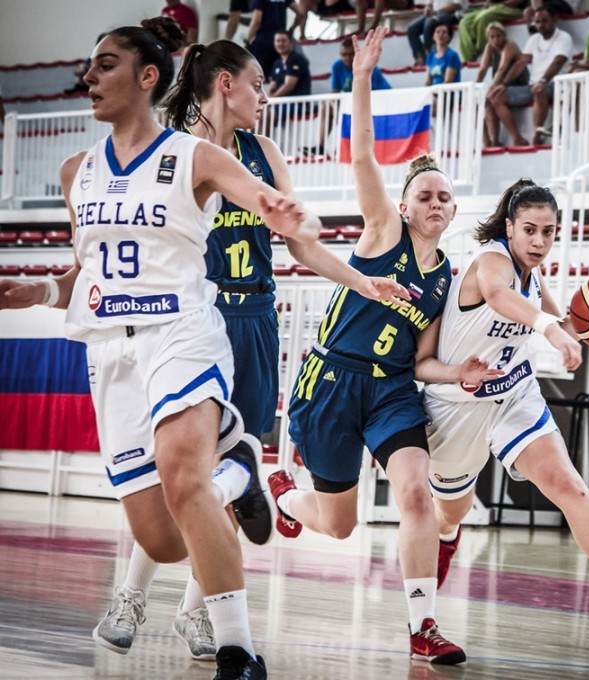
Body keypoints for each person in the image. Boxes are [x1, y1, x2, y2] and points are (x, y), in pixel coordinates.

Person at [0, 16, 329, 678]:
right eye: (90, 65)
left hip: (193, 328)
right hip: (114, 348)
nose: (88, 77)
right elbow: (87, 274)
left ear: (148, 76)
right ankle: (236, 473)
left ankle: (232, 646)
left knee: (185, 479)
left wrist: (296, 218)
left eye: (105, 64)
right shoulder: (81, 171)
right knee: (166, 531)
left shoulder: (208, 155)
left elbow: (277, 211)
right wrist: (37, 291)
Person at [86, 38, 409, 662]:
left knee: (230, 476)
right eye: (258, 83)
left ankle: (197, 611)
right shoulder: (175, 151)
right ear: (226, 83)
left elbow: (301, 244)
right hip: (190, 320)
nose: (265, 95)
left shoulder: (264, 153)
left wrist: (363, 281)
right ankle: (130, 596)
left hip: (256, 318)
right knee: (177, 473)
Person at [266, 27, 499, 666]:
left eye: (445, 196)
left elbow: (422, 360)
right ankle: (284, 494)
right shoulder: (383, 230)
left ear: (453, 211)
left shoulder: (447, 276)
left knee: (416, 494)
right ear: (405, 204)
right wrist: (364, 76)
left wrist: (459, 373)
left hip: (393, 390)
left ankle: (423, 626)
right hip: (333, 381)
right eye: (425, 194)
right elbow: (364, 155)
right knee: (339, 524)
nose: (436, 201)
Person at [420, 178, 589, 636]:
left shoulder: (532, 277)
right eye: (530, 230)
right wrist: (550, 330)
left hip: (513, 396)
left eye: (549, 232)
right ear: (510, 228)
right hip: (457, 405)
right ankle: (446, 537)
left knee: (567, 484)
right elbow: (500, 297)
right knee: (449, 512)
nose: (539, 241)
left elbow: (567, 324)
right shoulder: (491, 261)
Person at [484, 6, 573, 146]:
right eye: (537, 22)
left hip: (555, 84)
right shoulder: (534, 39)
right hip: (532, 85)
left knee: (539, 90)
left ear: (554, 19)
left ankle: (537, 136)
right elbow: (521, 63)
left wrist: (543, 81)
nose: (540, 25)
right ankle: (517, 138)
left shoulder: (564, 37)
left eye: (544, 21)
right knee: (495, 96)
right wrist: (504, 84)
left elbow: (558, 62)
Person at [311, 37, 392, 155]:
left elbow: (369, 93)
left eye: (350, 54)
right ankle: (321, 147)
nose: (347, 58)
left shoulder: (367, 66)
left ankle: (349, 144)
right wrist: (333, 106)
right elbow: (335, 91)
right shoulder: (337, 66)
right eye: (344, 55)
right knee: (327, 109)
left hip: (378, 102)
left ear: (356, 54)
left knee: (347, 111)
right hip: (356, 102)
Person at [476, 21, 529, 147]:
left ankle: (513, 138)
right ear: (488, 39)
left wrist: (491, 87)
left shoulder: (510, 45)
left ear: (504, 35)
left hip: (516, 83)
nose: (495, 39)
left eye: (498, 36)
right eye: (492, 37)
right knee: (479, 101)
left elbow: (502, 69)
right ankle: (490, 141)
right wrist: (475, 88)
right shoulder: (489, 47)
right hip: (500, 83)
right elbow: (482, 69)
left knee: (491, 97)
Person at [458, 0, 528, 63]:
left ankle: (483, 51)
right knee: (464, 22)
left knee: (484, 17)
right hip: (494, 8)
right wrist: (487, 5)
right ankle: (469, 59)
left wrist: (499, 5)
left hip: (513, 8)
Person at [246, 0, 303, 78]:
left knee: (259, 76)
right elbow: (300, 13)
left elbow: (256, 21)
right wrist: (291, 30)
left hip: (263, 42)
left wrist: (247, 41)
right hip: (280, 43)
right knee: (277, 77)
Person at [407, 0, 467, 66]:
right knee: (411, 29)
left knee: (429, 23)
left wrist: (438, 11)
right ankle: (420, 58)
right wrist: (428, 9)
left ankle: (431, 57)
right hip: (435, 14)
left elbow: (458, 5)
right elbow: (429, 4)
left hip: (452, 14)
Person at [269, 30, 311, 97]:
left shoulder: (296, 59)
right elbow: (272, 87)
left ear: (291, 42)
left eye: (284, 41)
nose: (280, 44)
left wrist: (273, 99)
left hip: (297, 102)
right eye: (278, 41)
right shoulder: (277, 63)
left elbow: (289, 86)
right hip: (280, 102)